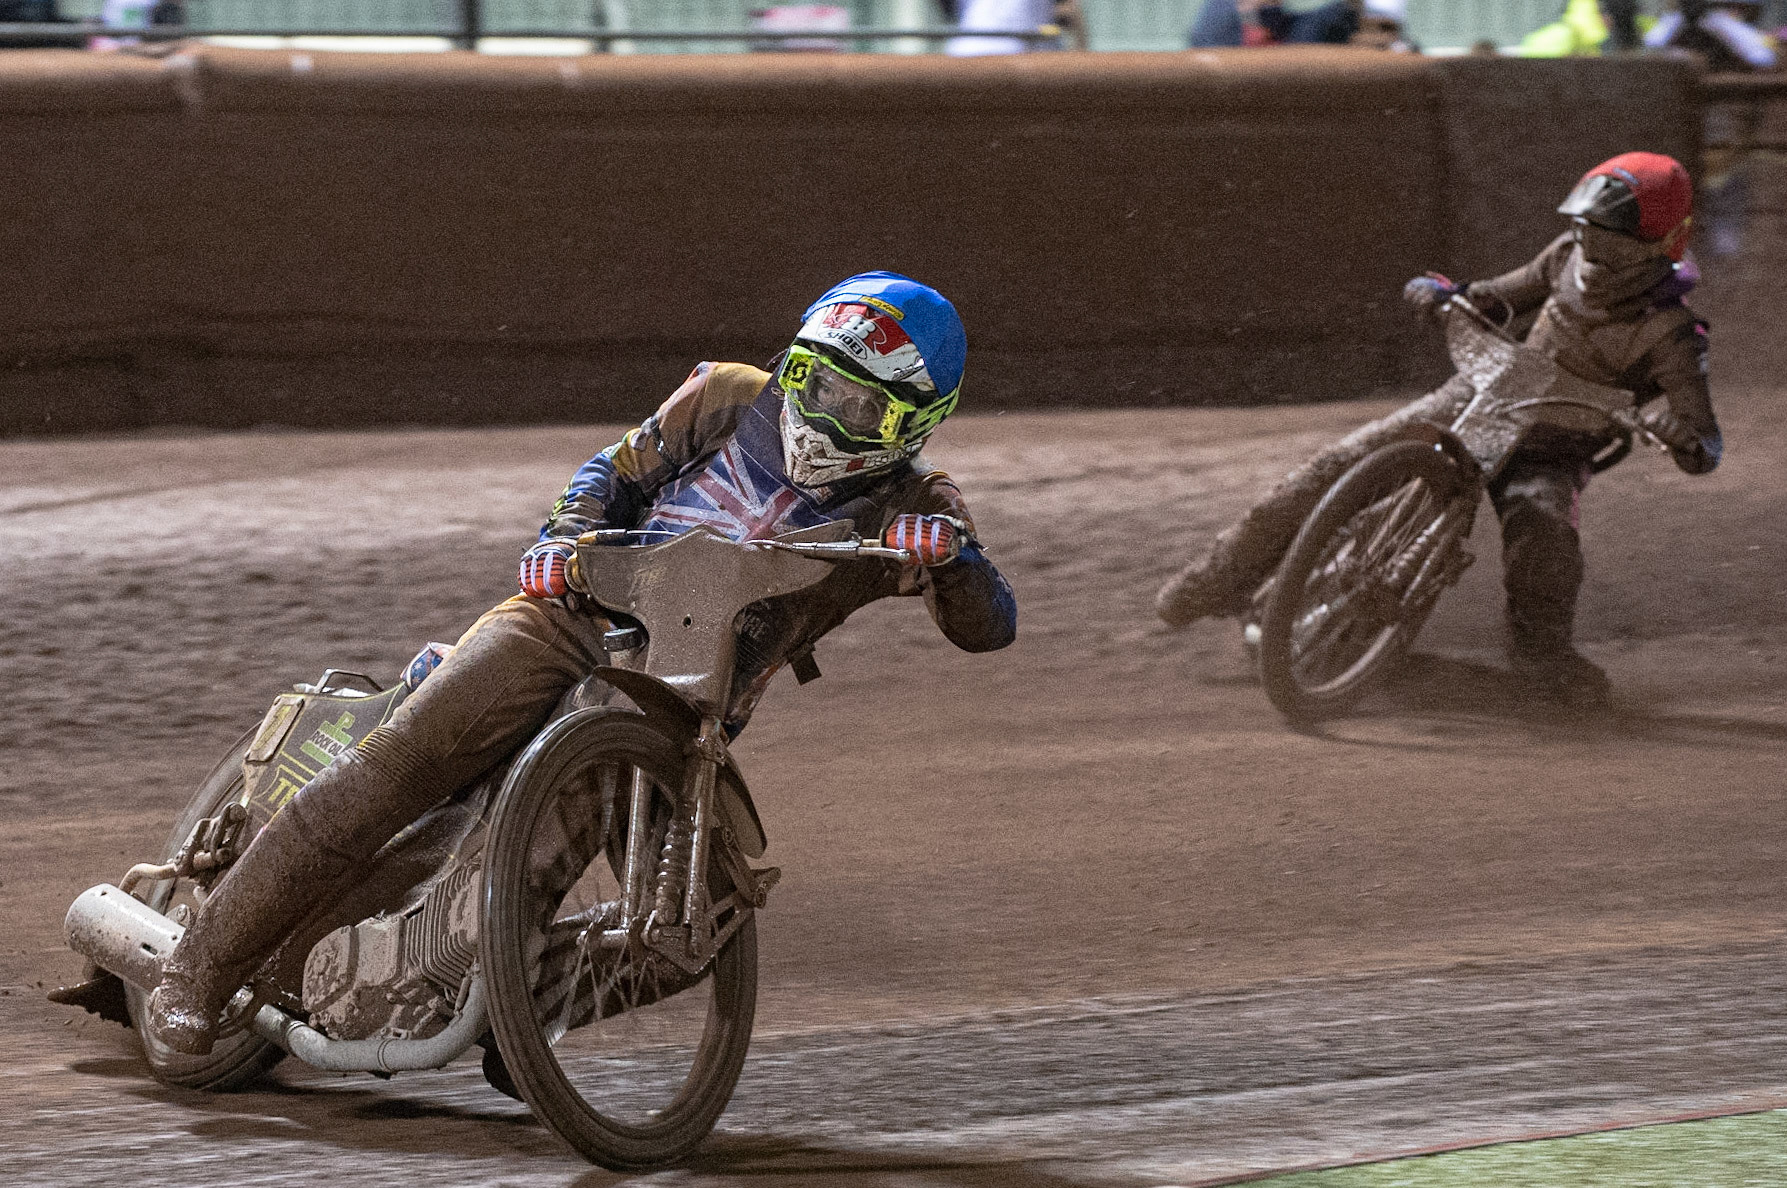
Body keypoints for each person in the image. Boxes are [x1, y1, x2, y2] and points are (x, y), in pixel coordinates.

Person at [146, 272, 1019, 1056]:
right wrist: (562, 538)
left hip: (680, 709)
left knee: (697, 924)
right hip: (569, 619)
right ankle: (197, 971)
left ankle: (514, 1022)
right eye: (814, 383)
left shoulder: (918, 508)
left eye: (859, 407)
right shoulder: (724, 398)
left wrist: (953, 560)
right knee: (405, 758)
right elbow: (617, 468)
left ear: (914, 425)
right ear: (789, 367)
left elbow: (987, 628)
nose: (826, 415)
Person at [1156, 153, 1722, 704]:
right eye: (1587, 232)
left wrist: (1677, 428)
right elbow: (1499, 294)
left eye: (1612, 241)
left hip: (1551, 443)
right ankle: (1222, 578)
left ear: (1664, 243)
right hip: (1478, 395)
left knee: (1544, 537)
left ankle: (1542, 657)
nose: (1593, 250)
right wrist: (1448, 295)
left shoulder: (1672, 334)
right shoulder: (1565, 259)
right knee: (1334, 467)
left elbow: (1705, 445)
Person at [1645, 1, 1780, 70]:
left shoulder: (1725, 25)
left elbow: (1763, 59)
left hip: (1727, 98)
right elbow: (1650, 52)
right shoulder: (1669, 25)